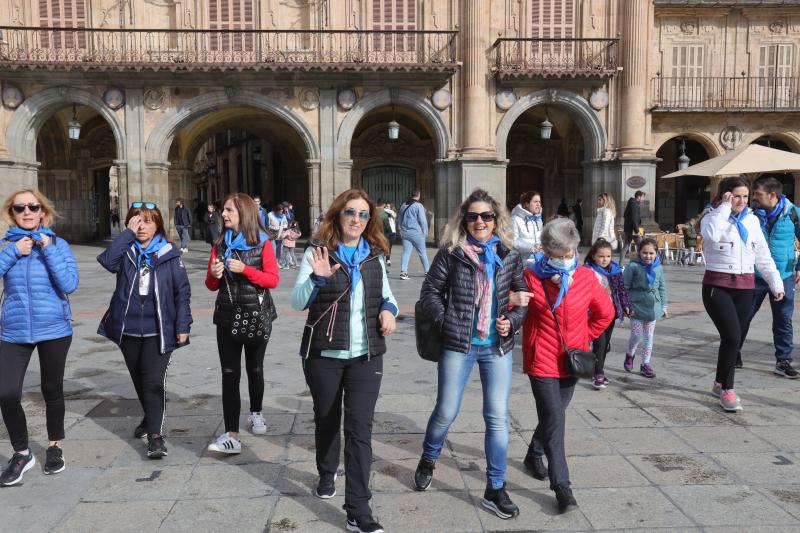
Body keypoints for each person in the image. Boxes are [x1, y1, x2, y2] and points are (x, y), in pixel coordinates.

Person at [414, 189, 528, 520]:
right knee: (446, 411)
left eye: (486, 216)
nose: (480, 222)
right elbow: (430, 293)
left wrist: (513, 320)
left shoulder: (509, 255)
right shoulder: (452, 254)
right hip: (458, 345)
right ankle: (429, 455)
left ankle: (495, 487)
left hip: (497, 347)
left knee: (496, 417)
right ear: (465, 220)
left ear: (496, 220)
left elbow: (522, 296)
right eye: (473, 216)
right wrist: (446, 319)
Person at [291, 189, 397, 533]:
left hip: (366, 355)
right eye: (350, 212)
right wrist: (319, 277)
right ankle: (326, 470)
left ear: (370, 221)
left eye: (364, 214)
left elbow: (389, 297)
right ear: (337, 215)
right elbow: (297, 301)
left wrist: (388, 310)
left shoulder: (375, 256)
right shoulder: (318, 252)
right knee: (326, 417)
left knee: (359, 429)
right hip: (324, 354)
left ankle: (358, 510)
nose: (356, 219)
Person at [521, 218, 614, 513]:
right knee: (556, 421)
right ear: (546, 252)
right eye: (556, 256)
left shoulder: (586, 277)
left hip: (572, 361)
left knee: (554, 415)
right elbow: (512, 309)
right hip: (542, 359)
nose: (563, 261)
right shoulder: (530, 276)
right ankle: (562, 487)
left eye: (568, 255)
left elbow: (605, 313)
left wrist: (584, 337)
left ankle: (534, 452)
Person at [97, 202, 192, 459]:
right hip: (127, 330)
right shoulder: (125, 250)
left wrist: (183, 325)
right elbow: (106, 261)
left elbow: (182, 292)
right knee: (139, 380)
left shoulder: (170, 253)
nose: (142, 226)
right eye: (136, 220)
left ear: (158, 225)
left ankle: (155, 436)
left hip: (158, 329)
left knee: (152, 381)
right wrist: (126, 235)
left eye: (148, 221)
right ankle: (151, 417)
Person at [0, 189, 79, 486]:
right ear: (13, 213)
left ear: (43, 212)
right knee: (6, 392)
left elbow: (69, 283)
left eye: (33, 207)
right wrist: (11, 252)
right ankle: (22, 453)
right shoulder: (5, 245)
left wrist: (47, 249)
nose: (27, 212)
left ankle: (54, 446)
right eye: (20, 208)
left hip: (54, 329)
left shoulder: (59, 244)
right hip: (13, 329)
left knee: (51, 388)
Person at [701, 177, 784, 412]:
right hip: (718, 286)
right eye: (736, 195)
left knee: (732, 338)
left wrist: (776, 284)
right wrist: (724, 208)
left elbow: (763, 255)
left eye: (745, 196)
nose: (741, 200)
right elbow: (710, 235)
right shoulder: (712, 216)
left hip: (745, 286)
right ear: (725, 195)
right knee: (733, 336)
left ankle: (719, 381)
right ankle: (728, 390)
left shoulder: (752, 221)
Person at [206, 193, 279, 453]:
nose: (223, 214)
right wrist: (214, 275)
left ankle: (256, 412)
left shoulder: (263, 244)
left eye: (229, 210)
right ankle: (231, 434)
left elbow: (273, 280)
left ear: (244, 214)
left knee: (255, 369)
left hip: (257, 315)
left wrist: (245, 270)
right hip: (226, 316)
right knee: (229, 374)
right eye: (224, 210)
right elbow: (211, 284)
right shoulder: (219, 244)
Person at [740, 177, 800, 378]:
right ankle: (733, 352)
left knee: (783, 320)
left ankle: (783, 361)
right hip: (755, 275)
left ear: (772, 195)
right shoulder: (750, 215)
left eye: (757, 194)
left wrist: (799, 266)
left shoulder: (793, 213)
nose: (753, 198)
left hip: (784, 275)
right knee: (743, 316)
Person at [584, 239, 630, 389]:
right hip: (594, 314)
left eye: (608, 256)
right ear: (593, 256)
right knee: (600, 343)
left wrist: (626, 306)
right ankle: (598, 374)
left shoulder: (615, 271)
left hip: (611, 312)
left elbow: (621, 290)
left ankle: (596, 369)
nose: (605, 259)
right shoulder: (587, 271)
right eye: (601, 256)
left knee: (605, 345)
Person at [623, 238, 668, 378]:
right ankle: (630, 354)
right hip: (636, 307)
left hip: (653, 308)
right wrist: (625, 305)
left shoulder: (658, 268)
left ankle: (645, 364)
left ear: (656, 253)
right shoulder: (633, 267)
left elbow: (662, 288)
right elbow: (625, 287)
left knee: (648, 337)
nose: (647, 256)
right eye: (644, 253)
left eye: (651, 253)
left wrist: (664, 306)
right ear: (639, 253)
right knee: (636, 335)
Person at [398, 190, 430, 280]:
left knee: (406, 253)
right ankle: (427, 271)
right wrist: (425, 232)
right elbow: (422, 220)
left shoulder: (404, 205)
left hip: (406, 233)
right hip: (416, 233)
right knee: (422, 253)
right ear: (418, 195)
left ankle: (403, 272)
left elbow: (399, 219)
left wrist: (400, 229)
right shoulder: (418, 206)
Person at [511, 191, 543, 261]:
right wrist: (531, 247)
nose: (538, 204)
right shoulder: (515, 219)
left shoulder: (538, 219)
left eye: (539, 202)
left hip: (539, 261)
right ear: (527, 204)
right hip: (522, 262)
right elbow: (513, 241)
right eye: (535, 202)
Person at [620, 190, 645, 264]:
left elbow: (625, 215)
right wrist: (637, 231)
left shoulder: (630, 203)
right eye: (643, 197)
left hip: (628, 229)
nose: (643, 199)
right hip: (634, 230)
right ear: (639, 197)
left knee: (625, 247)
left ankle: (620, 264)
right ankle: (641, 263)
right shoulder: (634, 204)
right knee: (642, 246)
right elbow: (634, 218)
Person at [379, 200, 396, 267]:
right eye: (385, 206)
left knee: (390, 246)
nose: (386, 207)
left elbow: (392, 213)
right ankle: (386, 260)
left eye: (388, 206)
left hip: (393, 232)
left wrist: (383, 209)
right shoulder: (384, 214)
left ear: (391, 207)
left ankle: (387, 259)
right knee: (385, 246)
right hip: (386, 232)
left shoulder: (393, 213)